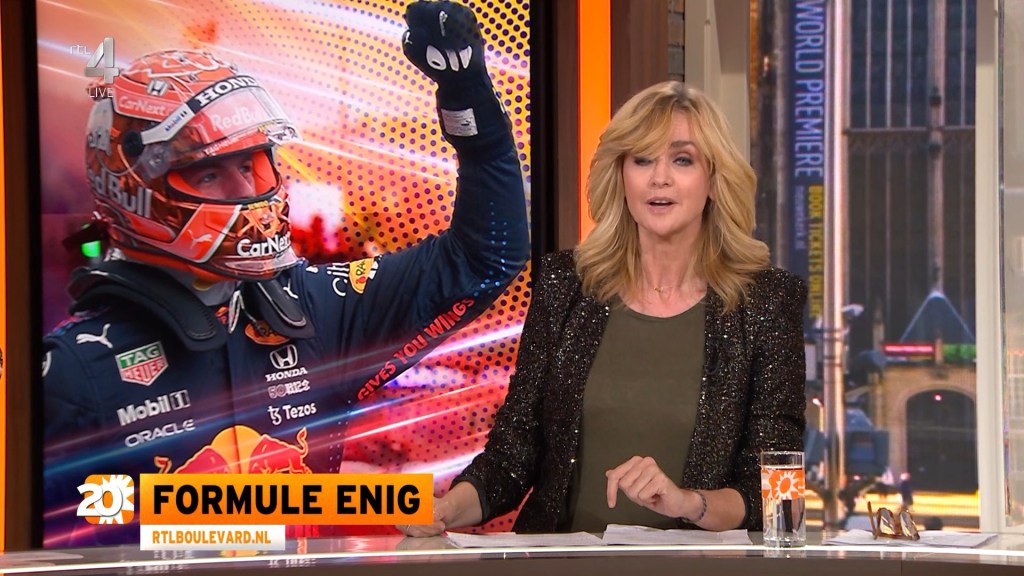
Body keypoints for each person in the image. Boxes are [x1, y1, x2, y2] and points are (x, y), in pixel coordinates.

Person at [42, 0, 528, 546]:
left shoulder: (309, 306)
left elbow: (485, 258)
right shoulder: (73, 372)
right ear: (135, 190)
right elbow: (59, 542)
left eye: (252, 162)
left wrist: (468, 100)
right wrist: (347, 504)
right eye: (208, 174)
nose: (248, 191)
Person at [400, 81, 807, 537]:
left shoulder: (767, 302)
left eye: (682, 160)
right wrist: (444, 509)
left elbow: (780, 495)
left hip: (697, 567)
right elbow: (513, 455)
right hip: (566, 563)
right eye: (642, 160)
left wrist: (688, 502)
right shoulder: (566, 286)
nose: (659, 178)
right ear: (621, 175)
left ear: (713, 179)